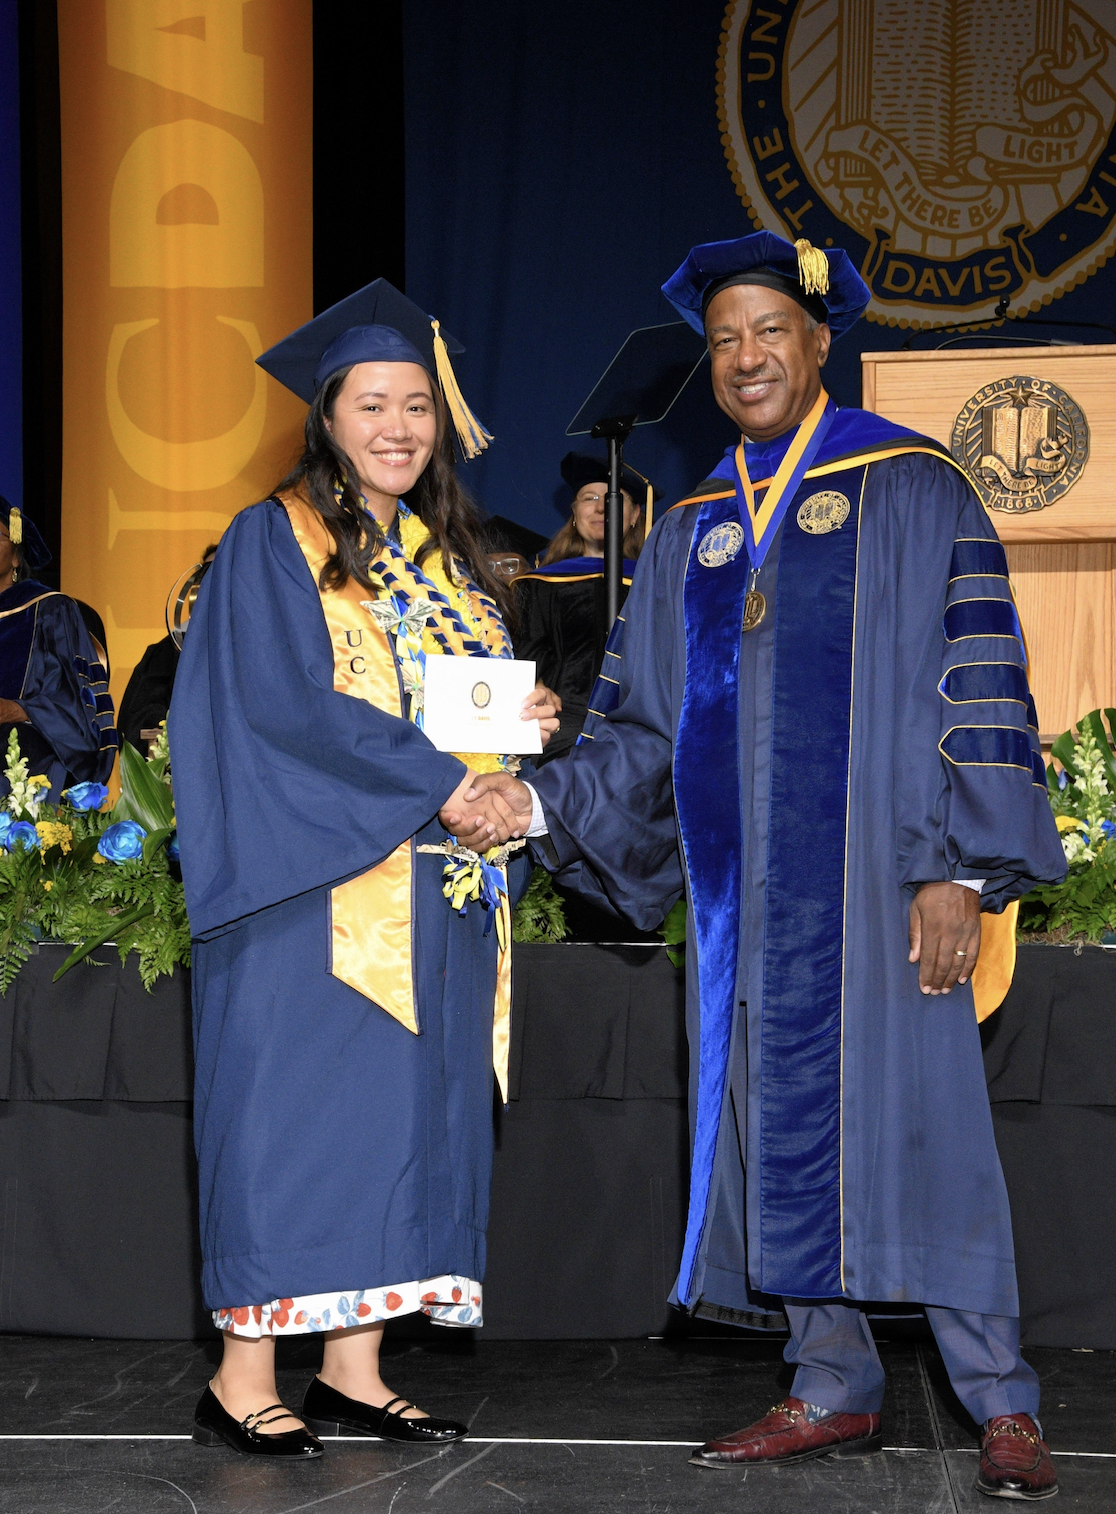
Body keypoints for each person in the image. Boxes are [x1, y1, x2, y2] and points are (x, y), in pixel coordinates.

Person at [447, 232, 1067, 1501]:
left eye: (767, 331)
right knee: (776, 1132)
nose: (744, 357)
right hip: (748, 907)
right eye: (724, 338)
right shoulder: (690, 533)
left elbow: (980, 683)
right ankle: (830, 1378)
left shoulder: (914, 487)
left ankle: (1001, 1398)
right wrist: (536, 796)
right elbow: (641, 732)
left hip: (891, 883)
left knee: (929, 1132)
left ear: (819, 342)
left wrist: (961, 865)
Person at [168, 278, 559, 1461]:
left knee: (405, 1126)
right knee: (293, 1121)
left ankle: (354, 1364)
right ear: (327, 417)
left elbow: (448, 705)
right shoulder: (271, 540)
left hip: (433, 888)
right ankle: (244, 1376)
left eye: (418, 407)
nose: (399, 427)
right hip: (312, 890)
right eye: (372, 404)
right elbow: (288, 706)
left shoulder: (448, 561)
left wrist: (517, 731)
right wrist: (446, 779)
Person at [511, 452, 651, 761]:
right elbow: (524, 662)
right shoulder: (540, 584)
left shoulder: (656, 583)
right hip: (564, 729)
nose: (601, 507)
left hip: (640, 730)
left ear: (635, 515)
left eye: (614, 498)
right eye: (589, 498)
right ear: (574, 513)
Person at [0, 497, 118, 801]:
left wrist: (20, 710)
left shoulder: (49, 611)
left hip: (26, 766)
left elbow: (78, 706)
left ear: (15, 556)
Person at [118, 544, 216, 755]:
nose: (210, 582)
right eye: (204, 574)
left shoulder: (259, 652)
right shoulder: (166, 653)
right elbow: (140, 717)